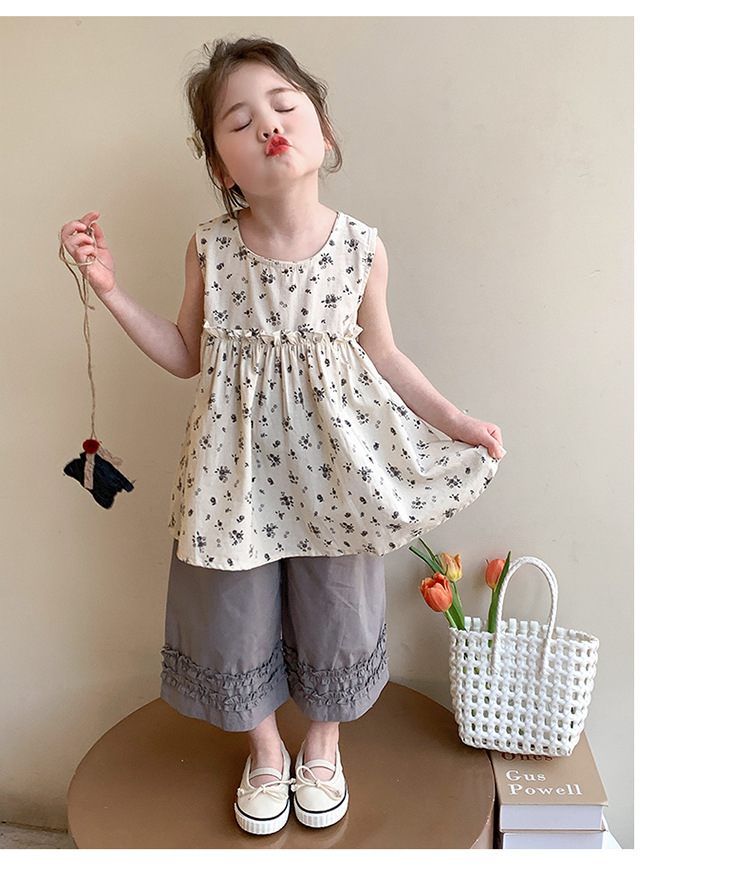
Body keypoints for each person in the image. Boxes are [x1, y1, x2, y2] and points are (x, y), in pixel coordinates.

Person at [60, 36, 504, 836]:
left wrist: (457, 422)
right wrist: (111, 291)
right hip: (231, 475)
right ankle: (266, 751)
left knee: (337, 601)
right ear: (219, 164)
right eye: (239, 120)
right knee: (231, 608)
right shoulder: (210, 247)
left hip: (336, 468)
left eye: (285, 105)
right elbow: (186, 354)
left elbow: (386, 355)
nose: (268, 124)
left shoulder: (361, 248)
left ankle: (323, 745)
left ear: (322, 132)